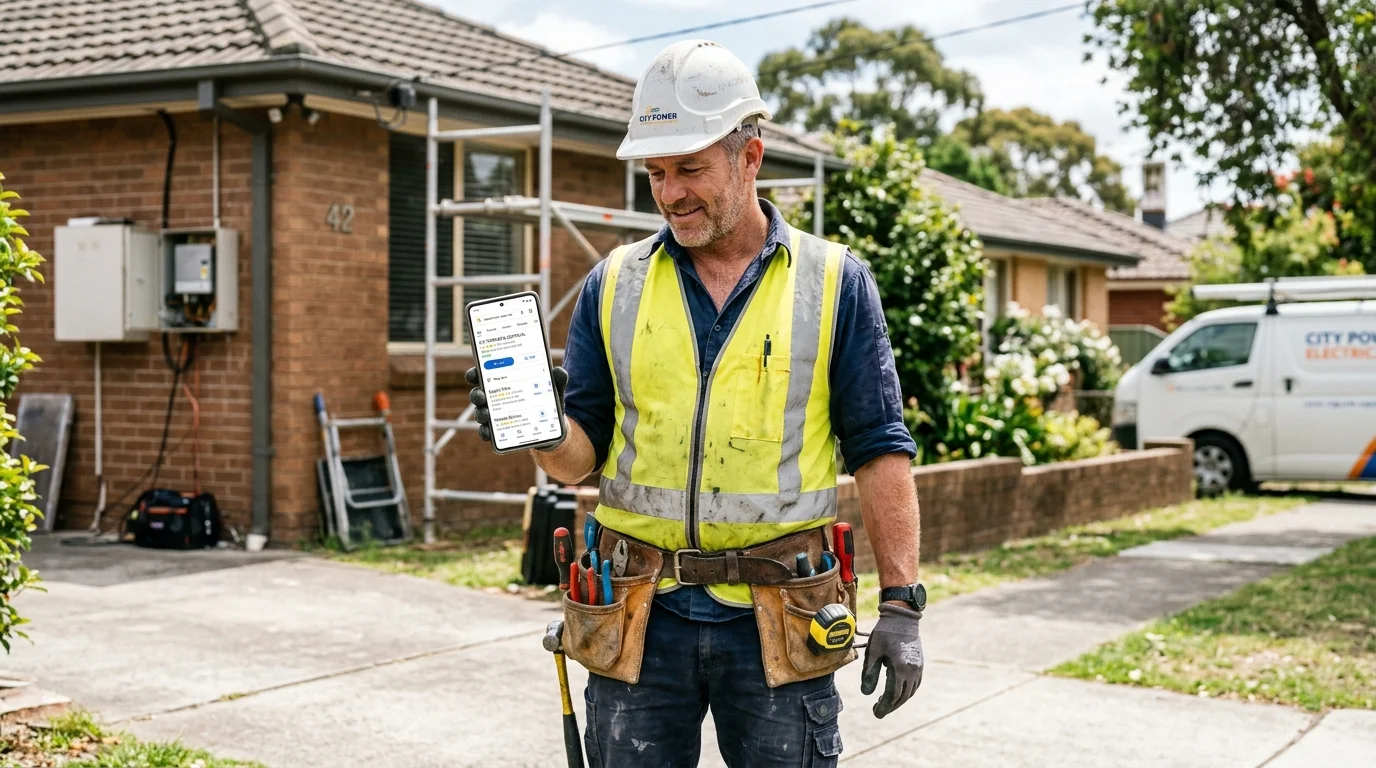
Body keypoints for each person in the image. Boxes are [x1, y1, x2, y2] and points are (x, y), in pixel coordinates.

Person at [467, 39, 925, 768]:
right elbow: (578, 464)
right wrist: (540, 430)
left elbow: (879, 446)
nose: (670, 192)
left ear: (750, 155)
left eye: (690, 168)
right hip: (638, 614)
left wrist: (903, 602)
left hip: (781, 615)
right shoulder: (612, 284)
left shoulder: (834, 282)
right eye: (655, 172)